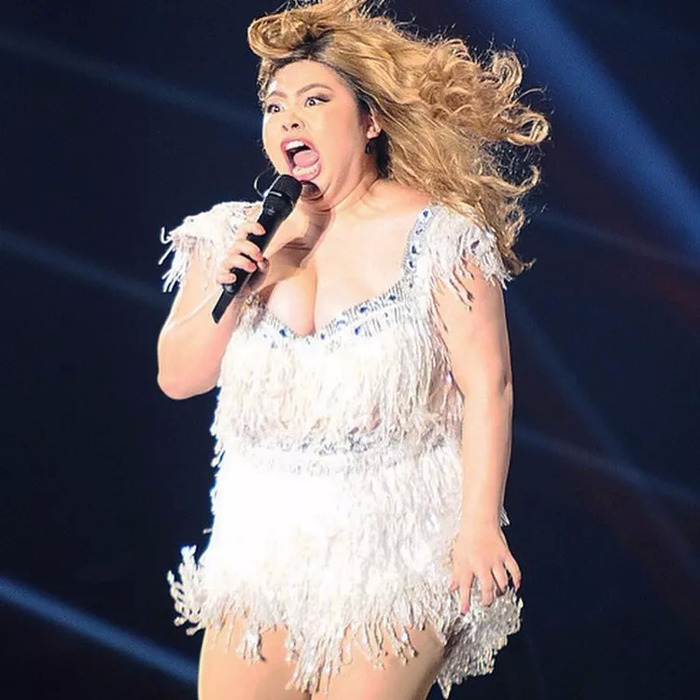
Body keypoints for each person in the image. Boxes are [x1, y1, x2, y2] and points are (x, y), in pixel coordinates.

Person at [157, 1, 548, 698]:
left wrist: (479, 525)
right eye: (275, 107)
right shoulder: (230, 237)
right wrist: (237, 289)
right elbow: (179, 377)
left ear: (369, 121)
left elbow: (489, 387)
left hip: (399, 545)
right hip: (263, 548)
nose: (290, 120)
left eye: (315, 100)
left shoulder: (442, 239)